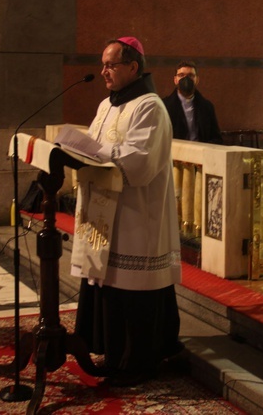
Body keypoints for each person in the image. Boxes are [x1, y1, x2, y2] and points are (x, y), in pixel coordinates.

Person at [70, 37, 182, 387]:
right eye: (102, 64)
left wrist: (96, 151)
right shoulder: (107, 104)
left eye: (111, 64)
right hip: (105, 211)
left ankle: (138, 360)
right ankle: (110, 350)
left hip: (136, 213)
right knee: (109, 284)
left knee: (133, 288)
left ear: (133, 67)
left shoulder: (150, 107)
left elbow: (140, 162)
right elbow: (97, 145)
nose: (103, 71)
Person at [162, 61, 223, 144]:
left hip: (201, 154)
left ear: (197, 80)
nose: (186, 79)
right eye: (181, 75)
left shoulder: (207, 107)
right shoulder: (164, 106)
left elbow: (217, 138)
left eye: (190, 75)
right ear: (175, 80)